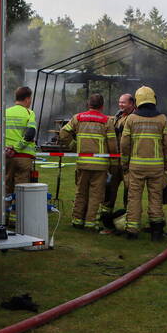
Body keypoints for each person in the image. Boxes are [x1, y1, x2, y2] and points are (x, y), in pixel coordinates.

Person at [119, 86, 167, 240]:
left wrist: (125, 164)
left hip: (136, 167)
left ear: (138, 100)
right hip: (156, 168)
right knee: (155, 198)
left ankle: (132, 232)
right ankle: (156, 232)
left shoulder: (131, 119)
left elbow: (124, 144)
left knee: (134, 198)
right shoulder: (162, 119)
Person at [58, 93, 117, 230]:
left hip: (82, 163)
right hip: (100, 165)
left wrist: (74, 146)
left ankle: (77, 220)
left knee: (80, 192)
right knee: (96, 195)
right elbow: (113, 145)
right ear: (102, 106)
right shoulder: (107, 121)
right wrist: (113, 162)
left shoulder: (77, 118)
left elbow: (63, 133)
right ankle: (91, 223)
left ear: (88, 104)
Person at [4, 86, 37, 224]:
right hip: (23, 156)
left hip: (6, 156)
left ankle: (3, 217)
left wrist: (8, 149)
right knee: (21, 188)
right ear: (28, 99)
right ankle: (16, 218)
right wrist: (17, 148)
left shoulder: (5, 112)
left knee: (6, 186)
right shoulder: (29, 113)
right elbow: (30, 134)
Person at [101, 93, 135, 221]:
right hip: (116, 160)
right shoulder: (119, 116)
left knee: (129, 189)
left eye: (123, 102)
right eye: (120, 102)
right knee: (110, 186)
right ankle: (106, 215)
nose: (120, 105)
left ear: (131, 104)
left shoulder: (135, 118)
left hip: (128, 161)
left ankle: (129, 216)